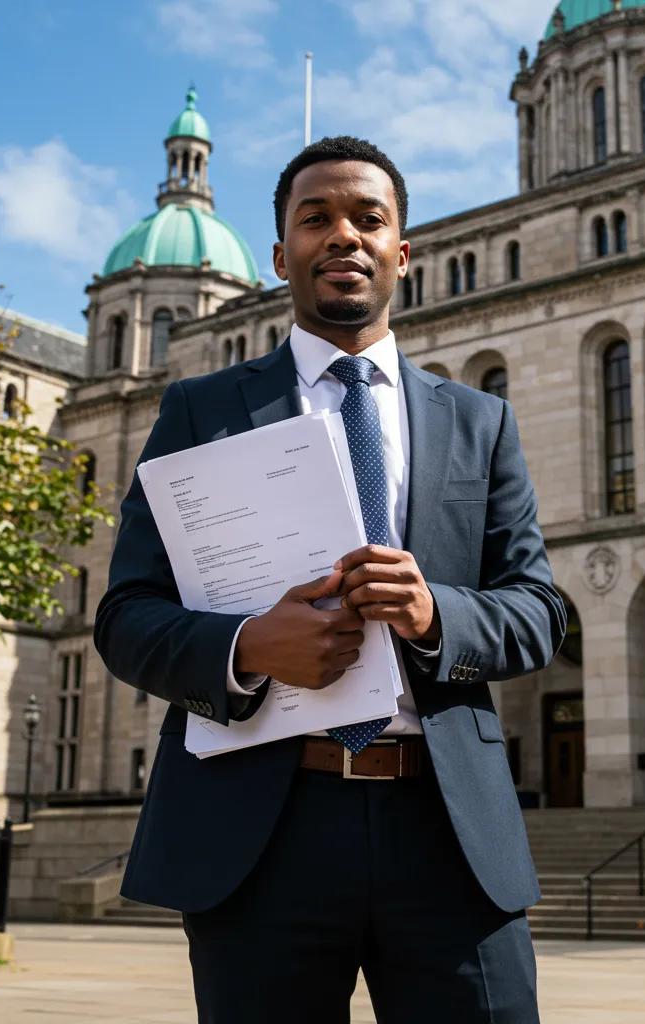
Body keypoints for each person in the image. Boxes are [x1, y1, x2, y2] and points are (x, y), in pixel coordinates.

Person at [94, 135, 566, 1023]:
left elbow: (537, 611)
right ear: (280, 256)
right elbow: (125, 615)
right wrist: (245, 647)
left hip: (447, 828)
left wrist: (436, 614)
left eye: (368, 219)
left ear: (402, 253)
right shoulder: (201, 410)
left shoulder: (479, 421)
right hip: (262, 830)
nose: (343, 235)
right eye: (316, 219)